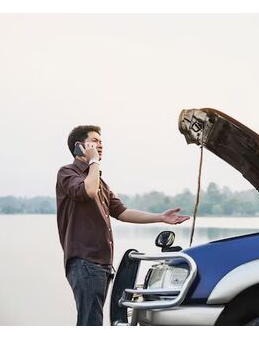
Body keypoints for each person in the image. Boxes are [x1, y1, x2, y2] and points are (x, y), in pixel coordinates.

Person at [56, 125, 190, 326]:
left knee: (94, 319)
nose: (100, 145)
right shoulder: (67, 173)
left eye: (101, 142)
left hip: (102, 263)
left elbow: (122, 212)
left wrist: (160, 217)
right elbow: (88, 191)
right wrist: (93, 161)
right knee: (90, 322)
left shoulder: (100, 182)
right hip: (84, 260)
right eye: (95, 141)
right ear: (79, 146)